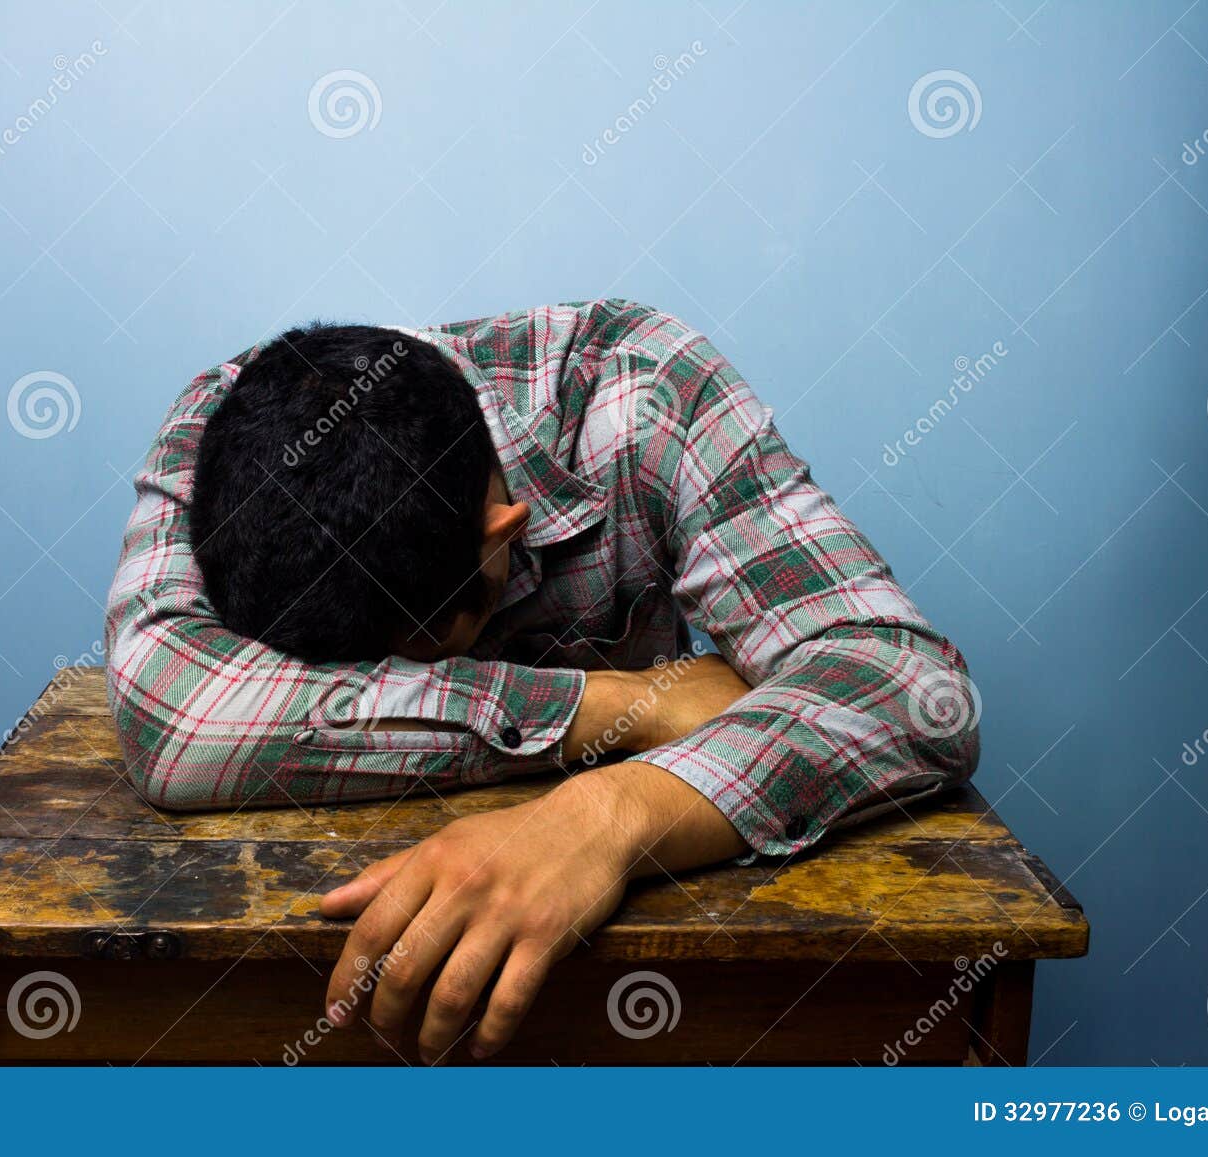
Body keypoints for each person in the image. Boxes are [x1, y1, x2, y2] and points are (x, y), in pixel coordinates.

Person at [104, 298, 979, 1062]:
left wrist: (606, 817)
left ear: (504, 532)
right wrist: (615, 707)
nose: (393, 684)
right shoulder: (230, 423)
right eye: (356, 668)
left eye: (423, 650)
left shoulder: (648, 392)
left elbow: (911, 687)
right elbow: (174, 724)